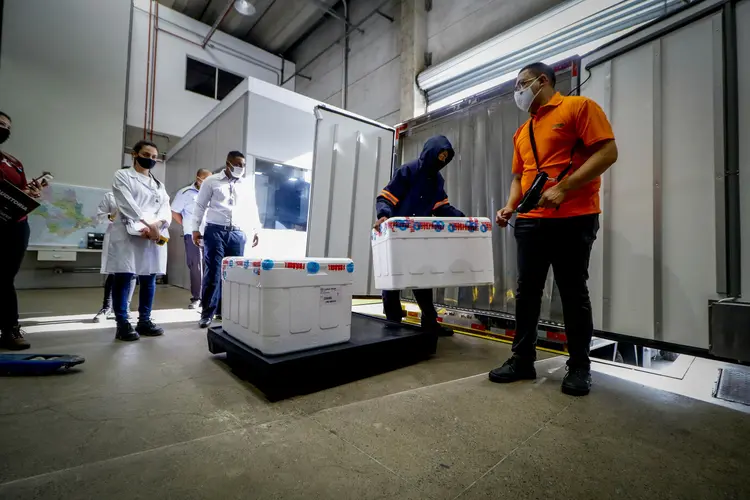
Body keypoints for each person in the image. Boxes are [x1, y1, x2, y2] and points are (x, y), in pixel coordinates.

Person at [492, 62, 618, 396]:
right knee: (527, 292)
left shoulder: (579, 107)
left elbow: (608, 151)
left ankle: (579, 367)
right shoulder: (522, 131)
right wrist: (509, 206)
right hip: (531, 221)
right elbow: (520, 176)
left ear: (542, 80)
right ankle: (522, 360)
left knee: (573, 292)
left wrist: (564, 188)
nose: (518, 91)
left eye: (522, 83)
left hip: (574, 218)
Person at [373, 135, 464, 337]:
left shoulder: (437, 180)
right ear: (430, 151)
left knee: (422, 278)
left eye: (446, 156)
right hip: (397, 236)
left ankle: (430, 323)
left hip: (418, 237)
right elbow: (386, 196)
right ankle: (393, 323)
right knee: (393, 282)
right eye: (441, 153)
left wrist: (463, 219)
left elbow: (441, 207)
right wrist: (383, 215)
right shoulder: (408, 170)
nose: (442, 158)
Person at [104, 140, 172, 341]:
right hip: (128, 233)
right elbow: (126, 204)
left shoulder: (159, 184)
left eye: (153, 157)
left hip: (152, 234)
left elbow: (165, 208)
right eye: (146, 154)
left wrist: (157, 225)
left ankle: (144, 321)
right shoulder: (122, 175)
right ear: (134, 154)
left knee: (149, 276)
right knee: (124, 276)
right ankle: (122, 324)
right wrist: (147, 225)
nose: (150, 159)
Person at [192, 151, 260, 329]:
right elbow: (199, 206)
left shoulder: (246, 184)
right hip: (215, 231)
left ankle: (226, 312)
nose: (240, 168)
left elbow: (252, 208)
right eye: (237, 164)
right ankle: (207, 313)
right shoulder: (212, 181)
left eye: (243, 165)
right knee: (213, 273)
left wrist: (255, 230)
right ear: (227, 163)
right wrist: (194, 229)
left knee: (233, 274)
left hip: (237, 233)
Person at [0, 111, 44, 350]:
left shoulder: (13, 162)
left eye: (7, 126)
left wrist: (32, 192)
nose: (3, 128)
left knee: (5, 277)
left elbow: (21, 190)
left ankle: (9, 329)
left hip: (15, 225)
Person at [170, 168, 212, 309]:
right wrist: (187, 225)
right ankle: (197, 298)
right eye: (204, 180)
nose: (207, 183)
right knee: (196, 266)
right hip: (192, 234)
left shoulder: (212, 193)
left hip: (211, 234)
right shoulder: (185, 193)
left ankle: (209, 298)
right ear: (198, 177)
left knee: (211, 266)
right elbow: (174, 212)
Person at [93, 188, 135, 322]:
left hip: (135, 237)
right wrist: (111, 216)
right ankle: (106, 308)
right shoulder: (110, 196)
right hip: (116, 238)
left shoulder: (138, 195)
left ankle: (126, 307)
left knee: (132, 272)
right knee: (114, 272)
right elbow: (99, 217)